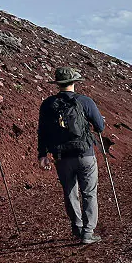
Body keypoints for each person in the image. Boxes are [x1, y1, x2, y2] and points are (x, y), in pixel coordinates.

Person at [37, 67, 107, 245]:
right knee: (89, 192)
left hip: (61, 156)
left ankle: (77, 226)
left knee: (70, 192)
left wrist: (42, 154)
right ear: (75, 82)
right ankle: (88, 232)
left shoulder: (48, 104)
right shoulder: (85, 101)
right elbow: (100, 126)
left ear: (58, 84)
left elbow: (42, 132)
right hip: (85, 154)